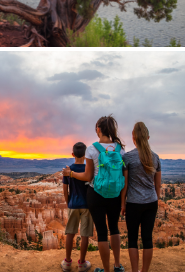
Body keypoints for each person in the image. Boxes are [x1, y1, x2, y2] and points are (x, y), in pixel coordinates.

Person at [64, 116, 126, 272]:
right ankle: (117, 266)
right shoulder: (120, 149)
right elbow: (124, 177)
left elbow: (87, 176)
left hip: (96, 194)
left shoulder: (92, 149)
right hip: (115, 195)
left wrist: (71, 174)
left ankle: (106, 269)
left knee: (102, 233)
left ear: (98, 129)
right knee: (114, 229)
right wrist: (123, 200)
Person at [121, 122, 161, 272]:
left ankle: (134, 270)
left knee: (132, 239)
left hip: (133, 202)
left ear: (134, 137)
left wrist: (122, 204)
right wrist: (155, 200)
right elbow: (158, 185)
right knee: (147, 238)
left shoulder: (128, 157)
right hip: (151, 202)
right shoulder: (155, 158)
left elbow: (124, 184)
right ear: (147, 137)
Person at [61, 142, 93, 272]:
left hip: (73, 204)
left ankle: (67, 262)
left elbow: (65, 189)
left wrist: (69, 202)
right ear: (85, 155)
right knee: (84, 235)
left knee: (70, 233)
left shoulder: (68, 170)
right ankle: (82, 263)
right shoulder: (88, 169)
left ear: (72, 154)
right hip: (87, 205)